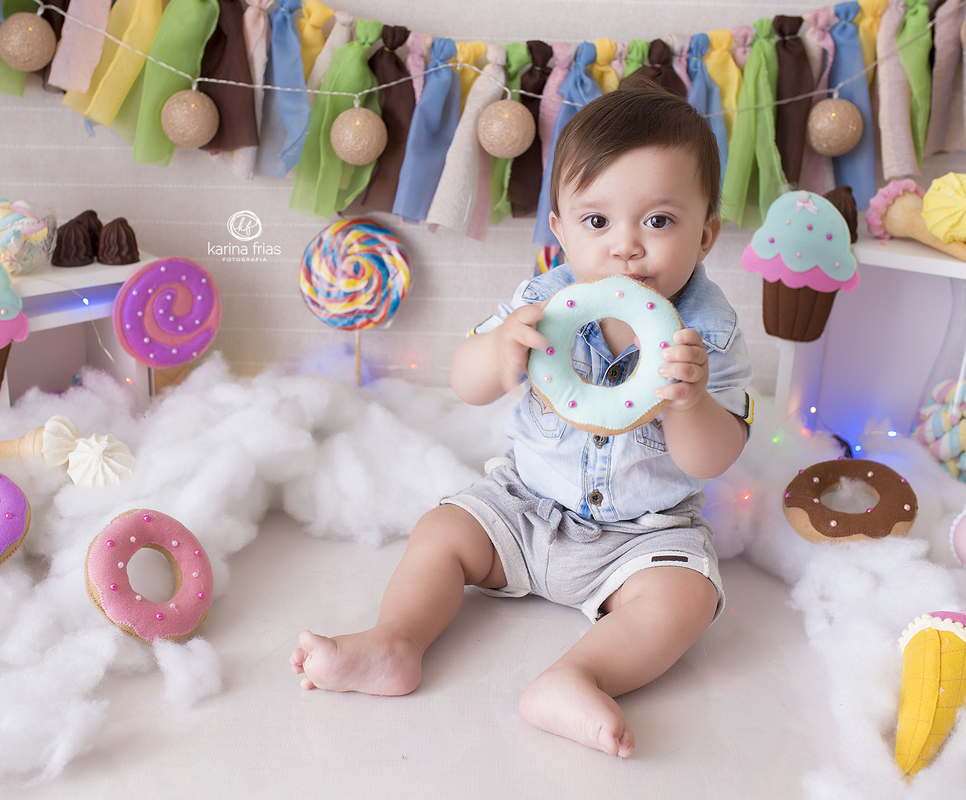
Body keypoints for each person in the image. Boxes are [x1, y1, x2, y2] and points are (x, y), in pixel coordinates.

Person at [290, 81, 754, 759]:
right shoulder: (542, 304)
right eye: (597, 222)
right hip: (524, 506)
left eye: (658, 221)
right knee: (443, 528)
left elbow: (711, 459)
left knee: (687, 598)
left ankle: (576, 677)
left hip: (639, 539)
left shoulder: (706, 339)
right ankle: (395, 642)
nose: (626, 247)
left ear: (706, 233)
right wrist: (498, 348)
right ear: (560, 231)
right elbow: (466, 382)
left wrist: (690, 402)